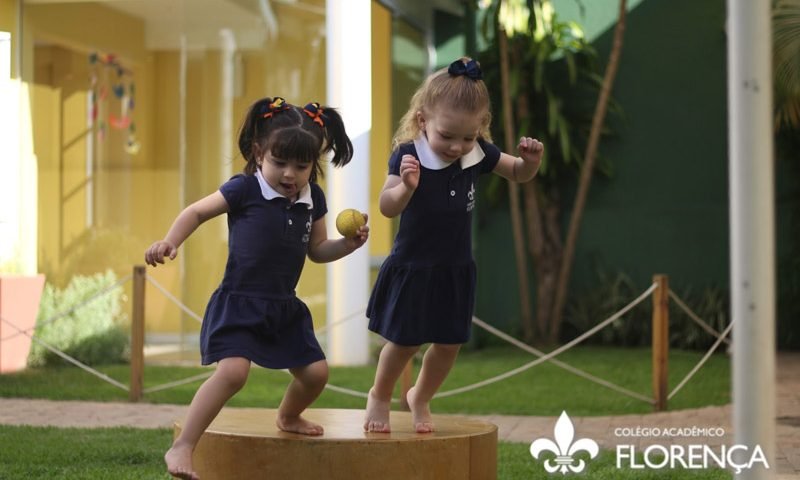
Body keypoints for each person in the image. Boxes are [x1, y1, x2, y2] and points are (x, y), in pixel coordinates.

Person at [145, 97, 369, 480]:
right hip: (241, 302)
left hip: (284, 307)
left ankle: (289, 414)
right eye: (279, 163)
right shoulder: (244, 189)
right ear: (258, 152)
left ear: (312, 165)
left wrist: (346, 245)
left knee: (316, 374)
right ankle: (182, 447)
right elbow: (196, 212)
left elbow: (316, 250)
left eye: (301, 166)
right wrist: (170, 241)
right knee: (233, 373)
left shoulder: (312, 197)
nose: (289, 174)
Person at [363, 57, 543, 434]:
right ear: (423, 120)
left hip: (455, 267)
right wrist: (405, 188)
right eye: (447, 136)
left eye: (468, 137)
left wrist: (530, 163)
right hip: (414, 265)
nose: (457, 146)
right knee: (404, 342)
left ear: (480, 129)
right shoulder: (409, 155)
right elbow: (385, 205)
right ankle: (379, 395)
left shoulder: (477, 153)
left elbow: (517, 173)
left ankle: (421, 397)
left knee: (448, 346)